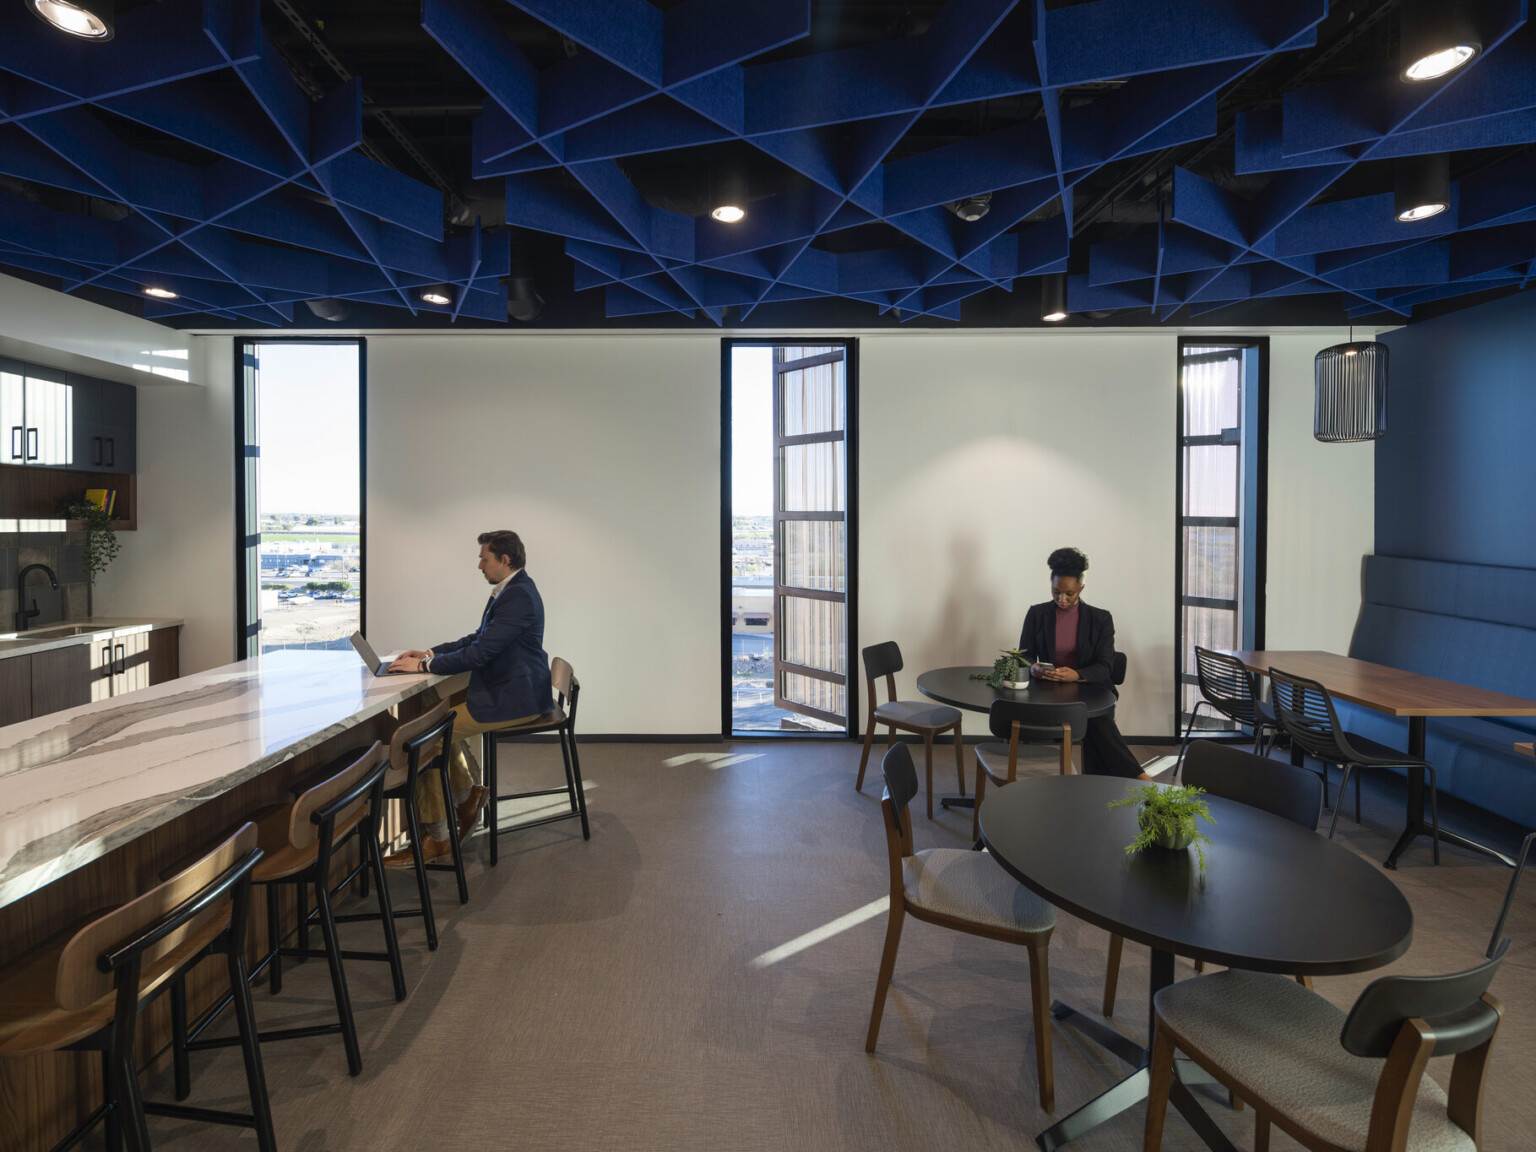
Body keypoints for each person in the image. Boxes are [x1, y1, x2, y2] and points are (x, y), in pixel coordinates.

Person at [384, 529, 554, 865]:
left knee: (424, 737)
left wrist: (423, 665)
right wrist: (430, 653)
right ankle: (466, 797)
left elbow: (479, 654)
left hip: (515, 697)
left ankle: (439, 838)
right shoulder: (511, 590)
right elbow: (478, 639)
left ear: (504, 560)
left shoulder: (517, 595)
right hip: (509, 687)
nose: (479, 565)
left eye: (484, 558)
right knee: (432, 716)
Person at [1017, 547, 1152, 780]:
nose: (1062, 599)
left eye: (1069, 593)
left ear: (1081, 587)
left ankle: (1133, 780)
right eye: (1056, 592)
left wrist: (1077, 675)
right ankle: (1137, 780)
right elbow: (1024, 656)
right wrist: (1033, 667)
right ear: (1051, 584)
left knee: (1093, 718)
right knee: (1097, 724)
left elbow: (1105, 666)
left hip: (1091, 690)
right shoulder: (1037, 614)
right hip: (1049, 692)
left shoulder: (1100, 619)